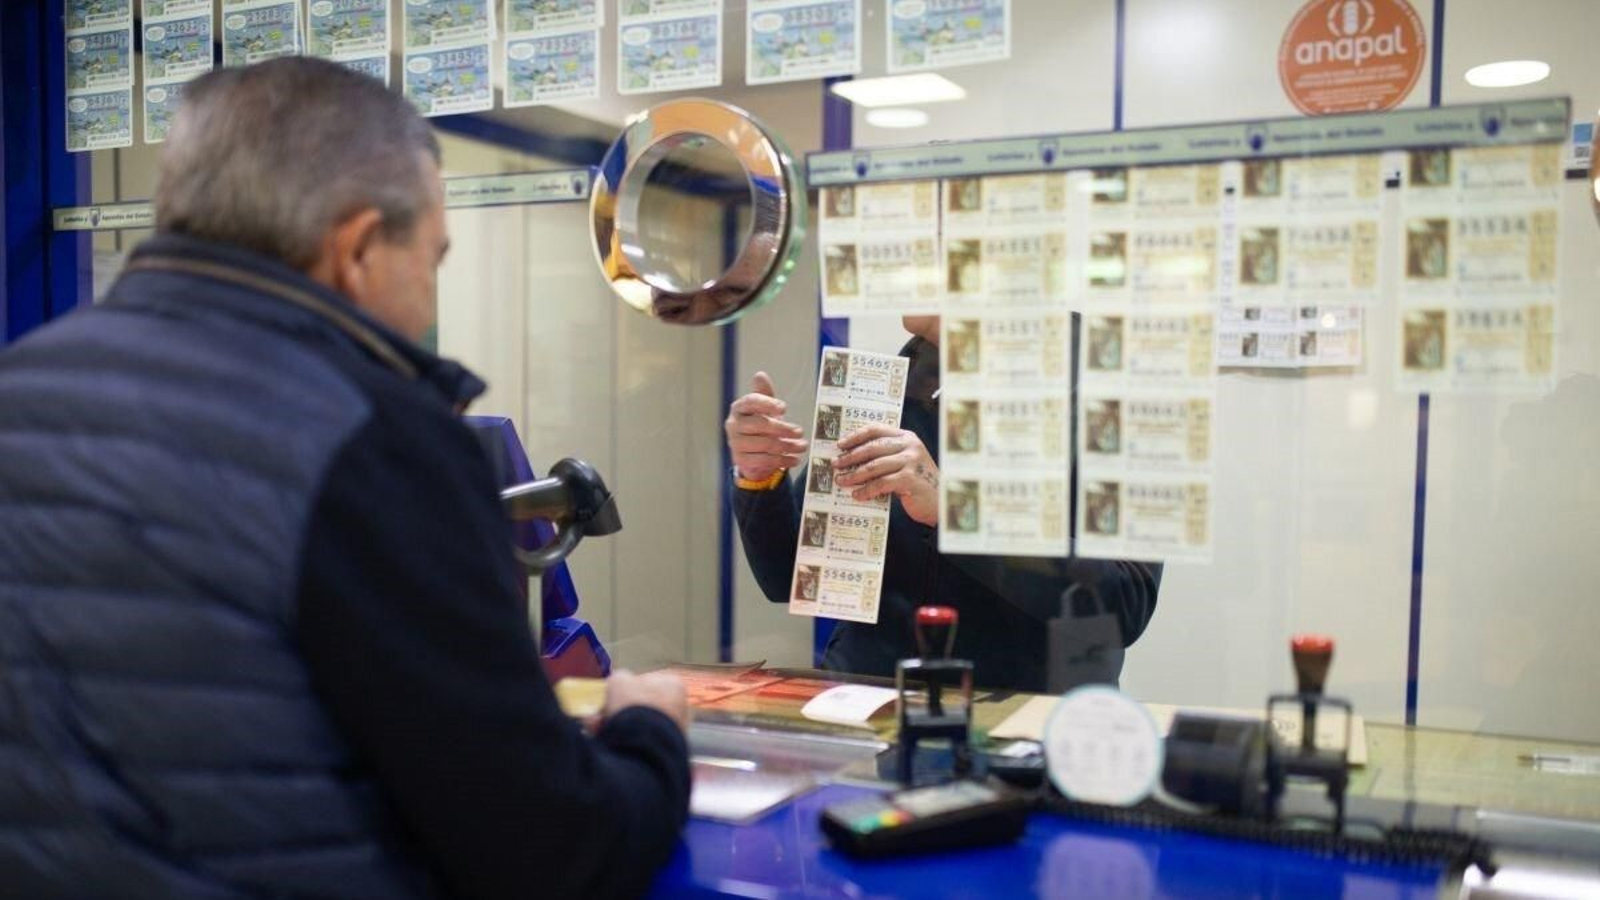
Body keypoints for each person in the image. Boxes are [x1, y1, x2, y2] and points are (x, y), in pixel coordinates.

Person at [0, 58, 688, 899]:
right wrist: (651, 729)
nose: (428, 293)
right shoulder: (372, 443)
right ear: (359, 248)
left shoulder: (21, 389)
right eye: (431, 258)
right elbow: (552, 847)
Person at [726, 316, 1162, 691]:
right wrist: (760, 476)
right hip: (873, 711)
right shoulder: (891, 384)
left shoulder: (1102, 384)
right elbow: (790, 574)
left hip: (1022, 728)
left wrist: (955, 511)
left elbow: (1123, 605)